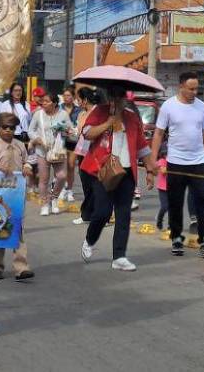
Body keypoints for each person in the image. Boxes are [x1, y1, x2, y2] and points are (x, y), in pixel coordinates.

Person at [80, 87, 154, 272]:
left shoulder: (132, 117)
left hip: (126, 173)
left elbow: (142, 147)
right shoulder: (100, 111)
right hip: (102, 171)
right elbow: (87, 133)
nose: (118, 100)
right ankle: (90, 239)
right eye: (115, 95)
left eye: (121, 96)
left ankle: (119, 256)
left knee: (124, 214)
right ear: (110, 97)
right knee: (103, 212)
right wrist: (108, 123)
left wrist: (151, 171)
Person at [150, 71, 204, 259]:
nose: (195, 92)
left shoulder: (202, 107)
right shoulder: (168, 107)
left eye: (197, 88)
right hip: (176, 162)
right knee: (175, 203)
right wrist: (153, 161)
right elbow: (158, 134)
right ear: (181, 86)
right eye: (191, 88)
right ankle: (177, 238)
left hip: (199, 162)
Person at [0, 112, 34, 282]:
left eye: (12, 128)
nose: (9, 131)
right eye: (5, 127)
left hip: (16, 194)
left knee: (17, 229)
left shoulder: (19, 145)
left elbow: (27, 161)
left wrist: (27, 167)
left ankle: (21, 267)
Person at [28, 90, 70, 216]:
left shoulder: (63, 114)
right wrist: (37, 139)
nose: (44, 103)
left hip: (58, 151)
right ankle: (45, 204)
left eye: (47, 101)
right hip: (42, 151)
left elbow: (70, 130)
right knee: (44, 180)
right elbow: (31, 130)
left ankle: (54, 198)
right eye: (43, 101)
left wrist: (64, 130)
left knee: (62, 176)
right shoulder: (38, 114)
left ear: (55, 103)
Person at [72, 87, 97, 227]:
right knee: (86, 184)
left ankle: (92, 214)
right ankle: (88, 214)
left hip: (93, 152)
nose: (78, 102)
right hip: (81, 151)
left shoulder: (97, 113)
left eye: (79, 99)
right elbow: (80, 131)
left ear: (85, 100)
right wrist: (70, 131)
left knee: (94, 185)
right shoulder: (82, 113)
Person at [61, 86, 81, 202]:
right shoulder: (59, 108)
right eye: (65, 95)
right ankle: (62, 189)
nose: (66, 98)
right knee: (61, 166)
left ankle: (69, 190)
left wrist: (73, 129)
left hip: (73, 141)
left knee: (71, 165)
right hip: (61, 141)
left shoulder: (78, 110)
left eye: (68, 95)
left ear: (73, 97)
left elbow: (79, 124)